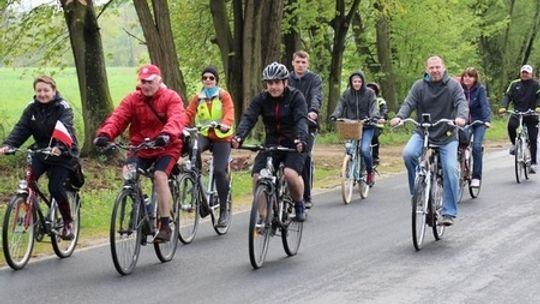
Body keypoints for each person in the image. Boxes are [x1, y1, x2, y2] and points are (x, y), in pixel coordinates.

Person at [94, 64, 185, 242]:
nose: (146, 85)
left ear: (159, 81)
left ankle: (165, 225)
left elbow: (177, 118)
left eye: (150, 82)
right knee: (129, 177)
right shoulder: (133, 99)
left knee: (159, 176)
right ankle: (141, 210)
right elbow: (118, 118)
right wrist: (105, 134)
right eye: (143, 82)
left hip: (166, 147)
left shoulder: (171, 97)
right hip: (140, 147)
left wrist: (166, 135)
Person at [390, 55, 468, 226]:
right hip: (423, 132)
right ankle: (417, 192)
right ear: (427, 69)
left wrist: (461, 117)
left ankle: (448, 212)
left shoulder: (453, 86)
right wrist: (400, 117)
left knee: (450, 169)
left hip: (447, 135)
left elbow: (462, 102)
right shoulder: (419, 86)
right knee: (408, 154)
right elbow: (408, 103)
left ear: (444, 67)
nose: (435, 71)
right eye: (431, 68)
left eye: (437, 67)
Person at [0, 75, 81, 240]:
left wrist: (59, 147)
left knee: (55, 187)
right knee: (29, 180)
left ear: (54, 90)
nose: (43, 94)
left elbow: (65, 128)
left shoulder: (63, 107)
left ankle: (67, 222)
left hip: (63, 154)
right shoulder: (31, 108)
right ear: (35, 92)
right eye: (39, 91)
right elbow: (21, 128)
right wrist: (9, 145)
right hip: (41, 152)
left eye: (46, 90)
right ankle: (32, 215)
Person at [232, 62, 308, 222]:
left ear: (285, 83)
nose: (273, 87)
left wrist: (301, 139)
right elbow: (249, 117)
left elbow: (301, 119)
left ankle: (299, 203)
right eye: (270, 83)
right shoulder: (261, 99)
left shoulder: (296, 97)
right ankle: (264, 216)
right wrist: (239, 136)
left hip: (294, 143)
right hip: (271, 143)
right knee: (257, 176)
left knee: (290, 174)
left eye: (277, 83)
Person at [185, 66, 234, 227]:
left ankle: (223, 211)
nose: (208, 80)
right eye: (205, 78)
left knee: (220, 170)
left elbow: (229, 112)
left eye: (211, 78)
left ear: (216, 80)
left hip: (222, 136)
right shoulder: (197, 98)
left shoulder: (223, 96)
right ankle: (198, 180)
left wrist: (226, 124)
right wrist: (180, 126)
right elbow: (188, 114)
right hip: (205, 134)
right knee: (194, 149)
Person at [330, 70, 379, 186]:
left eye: (359, 81)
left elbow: (373, 107)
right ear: (351, 82)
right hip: (352, 126)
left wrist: (373, 117)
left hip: (367, 126)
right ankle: (350, 169)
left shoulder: (369, 94)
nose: (357, 84)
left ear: (363, 82)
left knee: (364, 150)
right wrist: (335, 115)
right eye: (354, 81)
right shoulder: (347, 94)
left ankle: (369, 171)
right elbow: (340, 106)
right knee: (349, 148)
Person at [288, 50, 323, 209]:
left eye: (303, 62)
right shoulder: (286, 79)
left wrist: (314, 110)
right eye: (298, 62)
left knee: (305, 156)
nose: (300, 65)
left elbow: (316, 95)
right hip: (289, 122)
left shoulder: (314, 79)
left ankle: (306, 195)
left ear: (307, 64)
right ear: (293, 63)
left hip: (308, 123)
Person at [500, 64, 540, 173]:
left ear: (531, 74)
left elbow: (539, 97)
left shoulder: (536, 85)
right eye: (523, 72)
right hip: (518, 112)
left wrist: (537, 107)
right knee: (511, 126)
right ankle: (514, 144)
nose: (524, 74)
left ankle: (533, 163)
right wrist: (504, 106)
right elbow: (507, 96)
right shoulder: (514, 84)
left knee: (533, 138)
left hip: (531, 114)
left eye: (527, 73)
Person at [458, 67, 491, 187]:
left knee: (476, 147)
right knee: (457, 146)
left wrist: (486, 120)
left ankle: (476, 176)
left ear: (475, 78)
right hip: (463, 123)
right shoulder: (458, 89)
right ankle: (459, 169)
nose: (467, 78)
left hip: (478, 123)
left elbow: (484, 105)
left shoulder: (480, 90)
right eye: (465, 76)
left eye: (470, 76)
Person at [366, 82, 388, 165]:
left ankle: (375, 157)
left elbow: (384, 110)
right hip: (365, 123)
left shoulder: (380, 100)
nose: (371, 91)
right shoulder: (364, 99)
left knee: (374, 137)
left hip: (376, 124)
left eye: (373, 90)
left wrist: (382, 117)